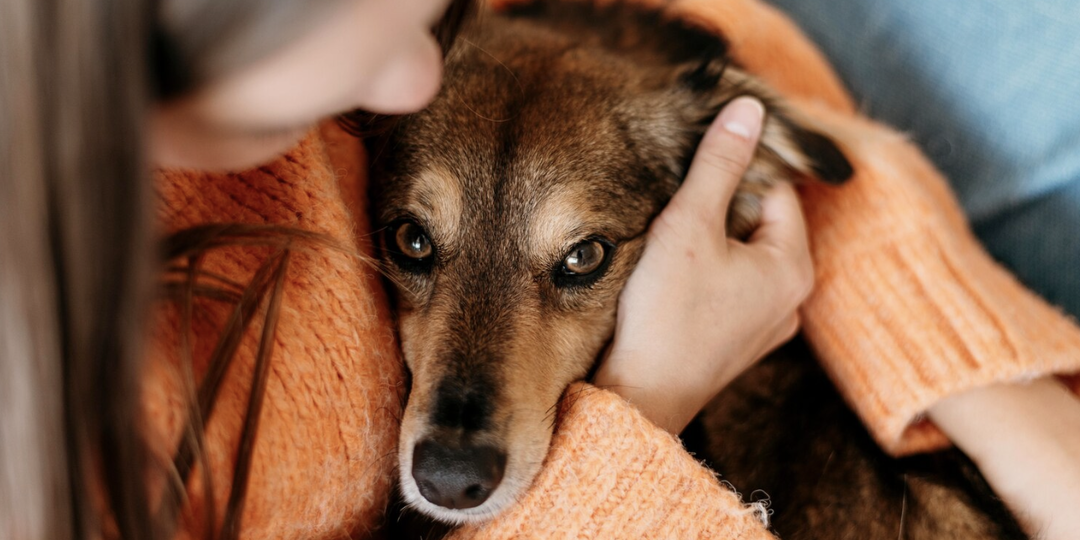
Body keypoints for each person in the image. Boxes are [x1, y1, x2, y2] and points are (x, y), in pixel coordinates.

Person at [1, 1, 1078, 539]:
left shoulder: (381, 52)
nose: (427, 63)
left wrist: (984, 387)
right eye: (415, 245)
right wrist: (649, 398)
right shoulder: (73, 454)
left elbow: (703, 41)